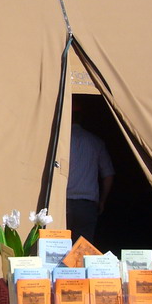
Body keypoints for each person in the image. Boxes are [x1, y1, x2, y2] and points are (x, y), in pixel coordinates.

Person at [66, 98, 114, 244]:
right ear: (82, 118)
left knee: (57, 248)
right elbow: (108, 174)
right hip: (87, 205)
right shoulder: (96, 142)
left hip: (63, 203)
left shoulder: (60, 142)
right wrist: (103, 201)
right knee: (83, 249)